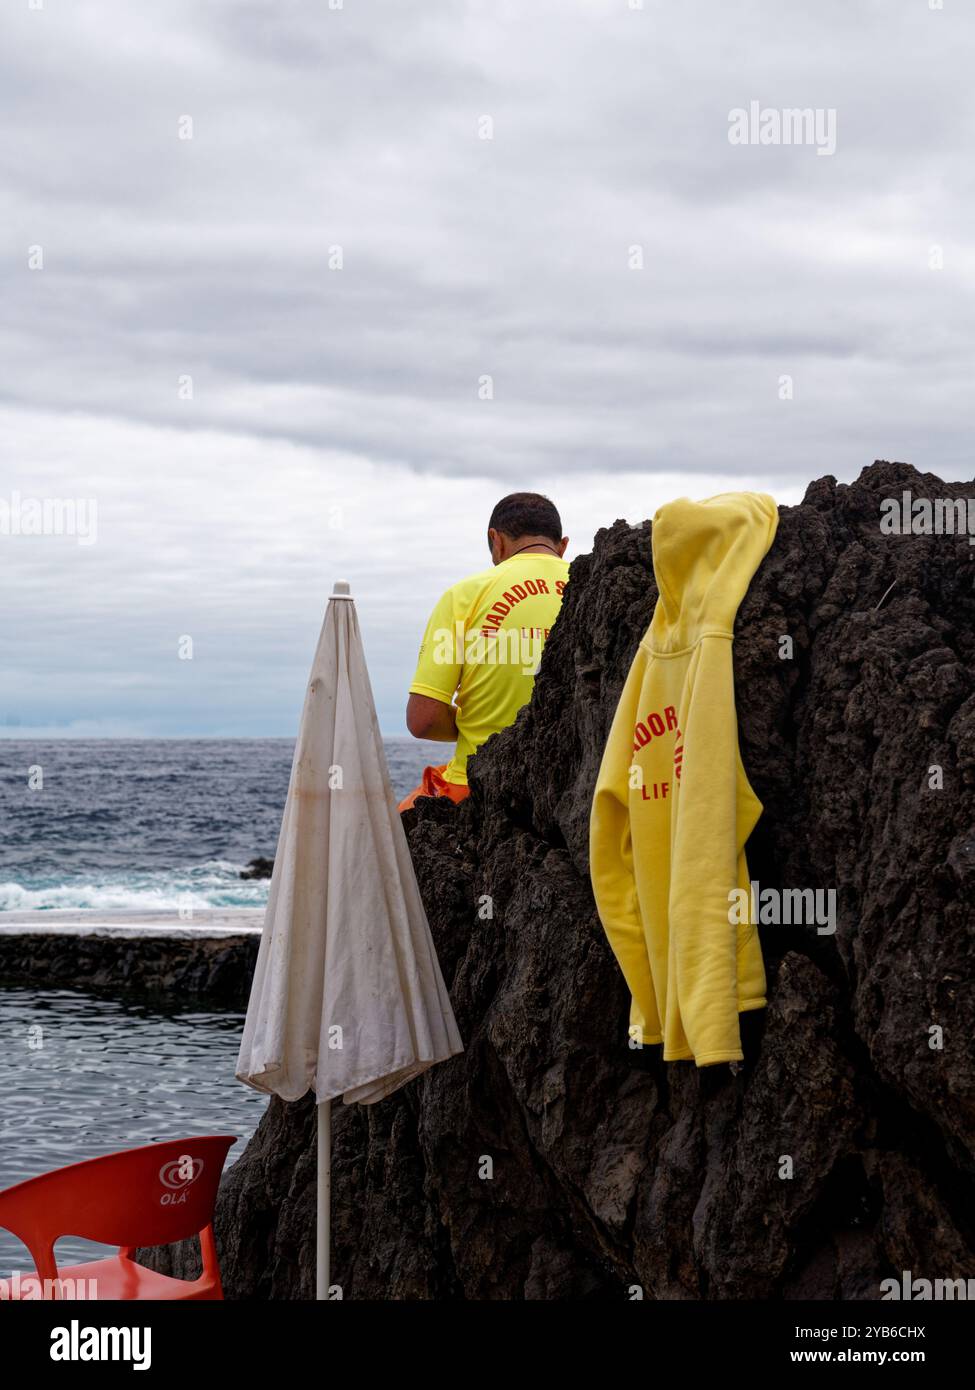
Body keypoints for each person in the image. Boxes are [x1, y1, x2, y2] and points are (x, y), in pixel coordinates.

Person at [399, 492, 569, 811]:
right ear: (562, 546)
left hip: (478, 789)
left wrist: (477, 723)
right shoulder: (593, 589)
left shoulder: (464, 596)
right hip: (577, 786)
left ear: (497, 540)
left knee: (384, 843)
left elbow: (423, 720)